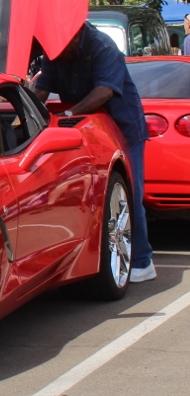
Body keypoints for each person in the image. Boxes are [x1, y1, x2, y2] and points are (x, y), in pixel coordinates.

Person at [33, 22, 156, 282]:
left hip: (124, 132)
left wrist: (68, 114)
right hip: (90, 135)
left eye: (58, 51)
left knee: (129, 196)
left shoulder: (102, 46)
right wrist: (24, 111)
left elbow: (105, 91)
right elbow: (41, 88)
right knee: (94, 199)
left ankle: (143, 262)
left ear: (74, 36)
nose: (54, 57)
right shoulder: (56, 51)